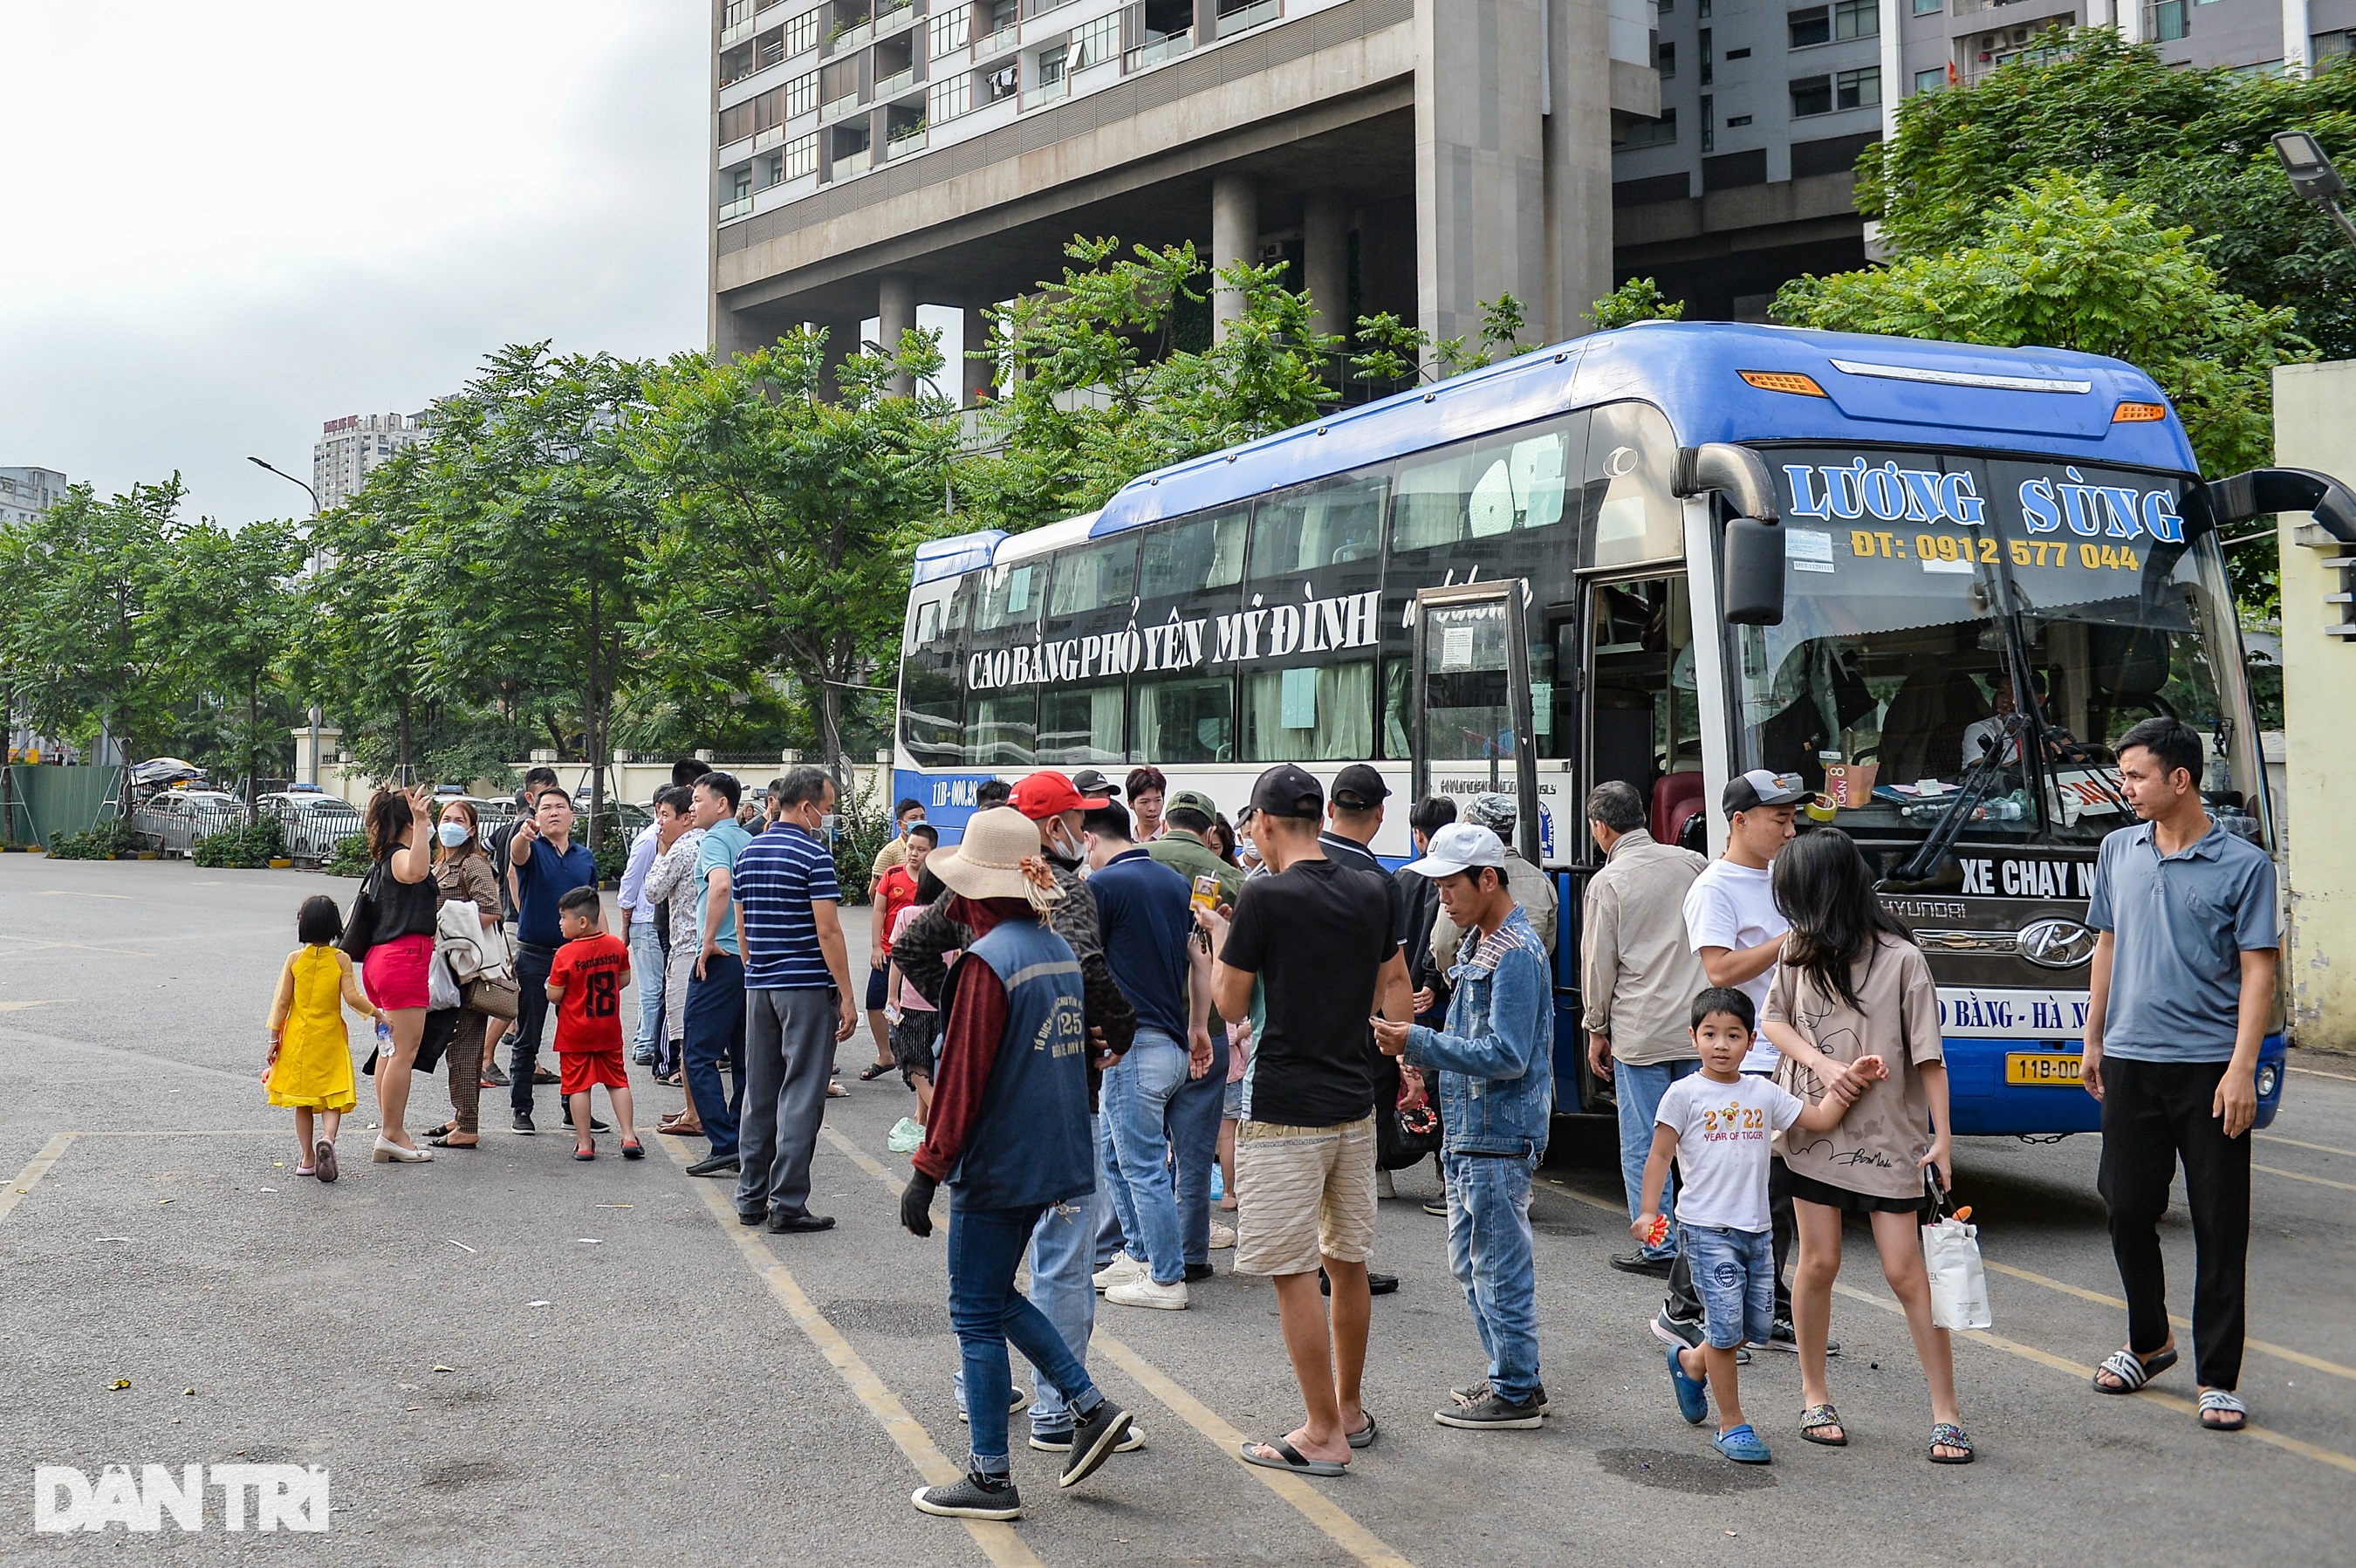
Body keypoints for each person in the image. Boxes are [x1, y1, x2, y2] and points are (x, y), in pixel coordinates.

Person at [899, 807, 1136, 1522]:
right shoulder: (1056, 950)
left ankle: (991, 1475)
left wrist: (926, 1169)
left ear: (975, 894)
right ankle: (1087, 1404)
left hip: (998, 1159)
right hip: (1054, 1150)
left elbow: (963, 1079)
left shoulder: (986, 962)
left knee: (974, 1309)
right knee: (996, 1294)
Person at [1196, 764, 1411, 1477]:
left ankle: (1322, 1431)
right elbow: (1389, 981)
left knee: (1292, 1271)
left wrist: (1222, 936)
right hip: (1355, 1103)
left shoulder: (1263, 895)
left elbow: (1230, 1005)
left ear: (1260, 823)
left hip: (1284, 1105)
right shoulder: (1373, 888)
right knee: (1346, 1263)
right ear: (1320, 817)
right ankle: (1347, 1408)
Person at [2082, 716, 2279, 1433]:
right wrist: (2094, 1032)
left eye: (2135, 775)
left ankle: (2218, 1375)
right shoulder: (2116, 849)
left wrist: (2241, 1068)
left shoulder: (2244, 865)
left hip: (2208, 1070)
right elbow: (2106, 939)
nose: (2124, 787)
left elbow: (2259, 970)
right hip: (2132, 1059)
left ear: (2179, 780)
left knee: (2221, 1223)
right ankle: (2150, 1339)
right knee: (2125, 1206)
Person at [1762, 828, 1971, 1463]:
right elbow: (1773, 1019)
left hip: (1888, 1138)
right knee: (1817, 1263)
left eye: (1796, 893)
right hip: (1813, 1128)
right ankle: (1813, 1395)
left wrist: (1942, 1137)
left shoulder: (1903, 959)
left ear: (1824, 891)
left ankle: (1946, 1411)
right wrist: (1821, 1066)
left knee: (1906, 1272)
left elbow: (1930, 1058)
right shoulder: (1798, 949)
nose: (1790, 909)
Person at [1636, 987, 1881, 1465]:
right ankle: (1733, 1424)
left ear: (1751, 1042)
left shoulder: (1763, 1092)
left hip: (1757, 1232)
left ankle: (1690, 1362)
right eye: (1710, 1034)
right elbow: (1660, 1155)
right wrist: (1649, 1213)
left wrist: (1850, 1079)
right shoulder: (1683, 1094)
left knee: (1753, 1325)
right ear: (1694, 1037)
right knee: (1726, 1328)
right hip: (1707, 1231)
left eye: (1732, 1035)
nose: (1721, 1044)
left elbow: (1819, 1118)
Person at [1373, 823, 1555, 1429]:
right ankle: (1510, 1372)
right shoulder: (1485, 942)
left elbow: (1508, 1053)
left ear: (1488, 878)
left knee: (1497, 1266)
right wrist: (1424, 1059)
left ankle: (1517, 1387)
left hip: (1498, 1132)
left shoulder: (1515, 952)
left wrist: (1420, 1040)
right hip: (1473, 1129)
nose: (1442, 898)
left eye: (1451, 886)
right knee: (1474, 1263)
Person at [1656, 769, 1815, 1357]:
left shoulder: (1786, 878)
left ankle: (1762, 1303)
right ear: (1740, 821)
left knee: (1773, 1189)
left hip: (1790, 1051)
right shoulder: (1714, 887)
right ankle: (1686, 1306)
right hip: (1743, 1058)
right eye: (1779, 818)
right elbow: (1720, 970)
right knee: (1734, 1189)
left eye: (1793, 818)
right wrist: (1791, 939)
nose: (1789, 829)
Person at [1086, 798, 1216, 1309]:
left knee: (1139, 1164)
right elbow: (1199, 959)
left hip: (1131, 1047)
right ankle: (1140, 1255)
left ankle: (1165, 1277)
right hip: (1172, 1043)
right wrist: (1199, 1027)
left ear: (1092, 839)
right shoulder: (1172, 883)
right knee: (1120, 1156)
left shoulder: (1102, 886)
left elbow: (1084, 963)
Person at [1579, 780, 1709, 1274]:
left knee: (1645, 1147)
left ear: (1602, 828)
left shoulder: (1608, 883)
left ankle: (1658, 1244)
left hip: (1640, 1034)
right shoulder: (1692, 864)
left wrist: (1596, 1027)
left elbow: (1599, 967)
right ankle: (1703, 1242)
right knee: (1698, 1146)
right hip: (1699, 1030)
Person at [731, 768, 859, 1233]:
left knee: (759, 1094)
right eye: (825, 809)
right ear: (806, 807)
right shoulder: (813, 856)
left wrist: (755, 968)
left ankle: (750, 1198)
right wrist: (847, 995)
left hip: (759, 985)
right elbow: (828, 930)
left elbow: (742, 928)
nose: (826, 818)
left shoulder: (749, 852)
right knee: (803, 1093)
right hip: (804, 987)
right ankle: (786, 1204)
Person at [1318, 764, 1416, 1251]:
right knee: (1350, 1157)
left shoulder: (1290, 868)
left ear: (1331, 809)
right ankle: (1341, 1257)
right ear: (1380, 815)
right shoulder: (1381, 882)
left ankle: (1313, 1258)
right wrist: (1405, 1055)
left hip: (1292, 1039)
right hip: (1360, 1039)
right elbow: (1396, 977)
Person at [1146, 788, 1244, 1265]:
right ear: (1210, 832)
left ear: (1165, 822)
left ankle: (1142, 1250)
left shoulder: (1135, 862)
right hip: (1210, 1028)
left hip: (1145, 1026)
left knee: (1138, 1155)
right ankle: (1191, 1253)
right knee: (1194, 1150)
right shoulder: (1231, 878)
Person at [264, 894, 380, 1182]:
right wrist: (378, 1014)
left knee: (303, 1101)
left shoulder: (295, 959)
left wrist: (274, 1039)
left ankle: (307, 1157)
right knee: (331, 1095)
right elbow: (352, 998)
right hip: (329, 1036)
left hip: (299, 1038)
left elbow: (282, 1002)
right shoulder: (341, 959)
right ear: (334, 926)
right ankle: (328, 1138)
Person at [506, 784, 601, 1137]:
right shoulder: (531, 847)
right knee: (529, 1035)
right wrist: (522, 836)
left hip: (578, 958)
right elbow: (517, 855)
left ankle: (573, 1110)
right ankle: (521, 1108)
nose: (554, 813)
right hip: (534, 956)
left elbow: (593, 910)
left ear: (572, 816)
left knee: (576, 1038)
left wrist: (605, 949)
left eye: (561, 807)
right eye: (546, 808)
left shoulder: (584, 857)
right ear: (536, 815)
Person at [353, 784, 442, 1164]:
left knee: (389, 1050)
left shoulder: (382, 860)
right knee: (403, 1052)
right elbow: (417, 870)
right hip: (403, 960)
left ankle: (392, 1130)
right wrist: (422, 824)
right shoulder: (400, 858)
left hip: (382, 963)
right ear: (408, 822)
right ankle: (391, 1133)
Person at [681, 771, 754, 1178]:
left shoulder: (713, 840)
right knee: (744, 1057)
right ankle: (742, 1139)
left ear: (721, 803)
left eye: (697, 799)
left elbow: (721, 886)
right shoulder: (747, 839)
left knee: (697, 1054)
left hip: (720, 957)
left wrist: (707, 940)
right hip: (746, 960)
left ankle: (725, 1142)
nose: (692, 806)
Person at [421, 798, 501, 1149]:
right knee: (454, 1046)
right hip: (447, 967)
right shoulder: (441, 863)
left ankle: (468, 1125)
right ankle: (461, 1113)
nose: (449, 824)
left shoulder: (472, 863)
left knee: (466, 1046)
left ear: (471, 829)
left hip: (467, 969)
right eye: (445, 818)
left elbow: (492, 909)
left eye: (458, 820)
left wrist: (453, 935)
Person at [544, 886, 640, 1161]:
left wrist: (549, 986)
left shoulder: (565, 954)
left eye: (564, 918)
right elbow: (623, 979)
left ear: (582, 921)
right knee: (617, 1081)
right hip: (607, 1027)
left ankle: (585, 1143)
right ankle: (629, 1136)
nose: (560, 923)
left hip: (575, 1030)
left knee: (578, 1086)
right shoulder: (616, 946)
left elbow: (555, 994)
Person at [640, 786, 706, 1120]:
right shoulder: (709, 842)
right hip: (706, 947)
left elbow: (652, 891)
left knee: (685, 1037)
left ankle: (694, 1114)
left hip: (686, 950)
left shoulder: (680, 849)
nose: (659, 823)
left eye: (665, 815)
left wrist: (662, 853)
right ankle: (693, 1110)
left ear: (685, 818)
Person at [862, 820, 935, 1082]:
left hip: (918, 959)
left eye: (921, 850)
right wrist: (875, 947)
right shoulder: (892, 875)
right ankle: (886, 1055)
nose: (914, 854)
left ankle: (914, 1057)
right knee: (875, 1001)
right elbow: (879, 910)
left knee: (914, 1009)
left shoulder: (935, 882)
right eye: (911, 848)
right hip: (888, 952)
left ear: (932, 852)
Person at [885, 865, 949, 1152]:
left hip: (913, 1002)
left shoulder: (907, 915)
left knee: (915, 1066)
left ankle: (943, 1121)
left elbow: (898, 959)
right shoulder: (953, 916)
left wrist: (892, 996)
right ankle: (921, 1118)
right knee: (933, 1064)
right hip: (945, 1002)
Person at [617, 794, 672, 1069]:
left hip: (654, 921)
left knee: (657, 985)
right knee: (653, 987)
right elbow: (630, 881)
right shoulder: (650, 839)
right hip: (645, 920)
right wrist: (626, 922)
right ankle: (646, 1044)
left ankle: (646, 1041)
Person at [1126, 764, 1168, 842]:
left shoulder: (1169, 839)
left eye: (1158, 800)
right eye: (1144, 802)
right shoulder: (1125, 841)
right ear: (1130, 803)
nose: (1152, 808)